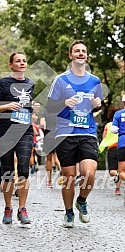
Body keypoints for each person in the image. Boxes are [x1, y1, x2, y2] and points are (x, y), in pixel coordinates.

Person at [46, 40, 103, 228]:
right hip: (65, 133)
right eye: (77, 51)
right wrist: (64, 103)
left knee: (89, 173)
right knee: (69, 176)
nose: (81, 53)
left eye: (84, 51)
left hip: (87, 132)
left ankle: (82, 200)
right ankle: (69, 212)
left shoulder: (95, 81)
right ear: (70, 55)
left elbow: (95, 105)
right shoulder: (61, 80)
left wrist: (97, 106)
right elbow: (50, 107)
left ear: (87, 56)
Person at [0, 52, 40, 225]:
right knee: (8, 170)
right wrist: (6, 106)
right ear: (11, 65)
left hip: (25, 130)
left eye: (24, 61)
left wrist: (34, 107)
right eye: (18, 61)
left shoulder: (30, 84)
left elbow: (28, 107)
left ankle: (22, 209)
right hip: (6, 131)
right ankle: (8, 207)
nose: (22, 63)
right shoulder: (3, 83)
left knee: (24, 168)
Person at [99, 105, 121, 195]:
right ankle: (118, 189)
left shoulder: (108, 125)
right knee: (121, 170)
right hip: (122, 147)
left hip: (112, 148)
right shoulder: (122, 124)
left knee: (112, 170)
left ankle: (116, 175)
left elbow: (104, 137)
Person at [40, 109, 61, 188]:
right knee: (60, 157)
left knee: (49, 158)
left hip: (48, 134)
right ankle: (64, 176)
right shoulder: (61, 109)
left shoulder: (45, 111)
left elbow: (42, 124)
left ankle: (49, 180)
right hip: (59, 134)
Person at [111, 94, 125, 188]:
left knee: (122, 171)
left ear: (123, 102)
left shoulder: (118, 114)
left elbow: (114, 130)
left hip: (123, 142)